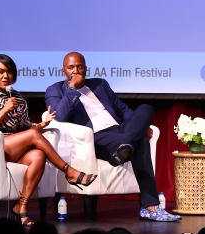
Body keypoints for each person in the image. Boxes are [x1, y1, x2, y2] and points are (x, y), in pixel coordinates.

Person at [44, 51, 180, 222]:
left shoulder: (100, 84)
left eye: (79, 67)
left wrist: (139, 125)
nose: (76, 71)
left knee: (146, 108)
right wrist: (72, 90)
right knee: (142, 141)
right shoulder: (55, 90)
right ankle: (149, 206)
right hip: (94, 137)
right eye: (71, 68)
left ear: (86, 69)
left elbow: (122, 109)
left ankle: (126, 146)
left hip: (121, 131)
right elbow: (59, 119)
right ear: (63, 70)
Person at [0, 54, 97, 227]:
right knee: (33, 137)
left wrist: (41, 124)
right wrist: (3, 112)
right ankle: (69, 171)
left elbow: (25, 128)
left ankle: (21, 206)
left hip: (12, 147)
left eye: (10, 72)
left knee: (37, 155)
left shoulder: (18, 98)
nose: (6, 76)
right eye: (1, 72)